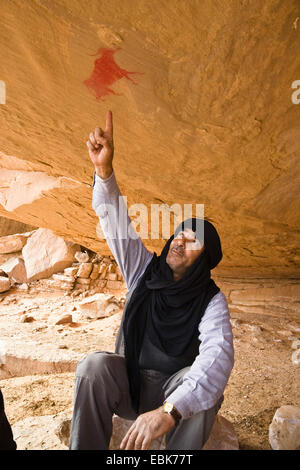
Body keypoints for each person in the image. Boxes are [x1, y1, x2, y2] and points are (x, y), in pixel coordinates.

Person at [69, 111, 234, 450]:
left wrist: (169, 411)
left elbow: (218, 357)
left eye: (193, 241)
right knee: (93, 366)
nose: (179, 242)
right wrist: (104, 171)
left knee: (200, 385)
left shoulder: (211, 301)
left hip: (174, 396)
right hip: (130, 384)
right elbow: (117, 227)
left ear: (205, 258)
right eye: (179, 234)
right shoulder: (145, 271)